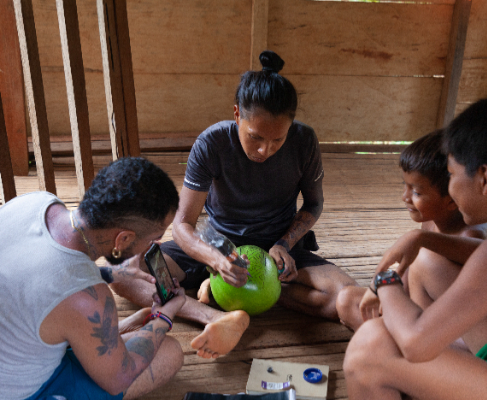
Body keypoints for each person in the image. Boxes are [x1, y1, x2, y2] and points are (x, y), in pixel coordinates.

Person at [110, 50, 367, 359]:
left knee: (348, 298)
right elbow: (182, 225)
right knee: (126, 272)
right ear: (236, 114)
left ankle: (248, 292)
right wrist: (216, 261)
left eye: (277, 140)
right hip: (218, 246)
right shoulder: (212, 143)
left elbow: (314, 203)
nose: (265, 149)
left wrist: (285, 243)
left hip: (277, 248)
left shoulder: (304, 141)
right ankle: (217, 316)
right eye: (255, 137)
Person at [343, 93, 487, 400]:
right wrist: (422, 238)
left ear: (485, 178)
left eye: (452, 175)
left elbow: (416, 345)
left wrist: (386, 282)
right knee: (429, 264)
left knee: (370, 346)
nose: (451, 187)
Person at [0, 157, 186, 400]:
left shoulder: (34, 202)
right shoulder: (86, 299)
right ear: (122, 240)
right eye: (154, 237)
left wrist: (110, 273)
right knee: (168, 352)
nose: (156, 244)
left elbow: (38, 278)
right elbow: (118, 380)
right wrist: (163, 317)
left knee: (131, 326)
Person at [336, 130, 487, 354]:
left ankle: (398, 352)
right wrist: (386, 298)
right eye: (406, 186)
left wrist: (419, 238)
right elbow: (408, 282)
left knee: (372, 326)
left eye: (416, 191)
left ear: (451, 199)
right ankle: (391, 345)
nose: (405, 197)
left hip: (458, 334)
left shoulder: (472, 235)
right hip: (419, 318)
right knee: (346, 300)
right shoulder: (430, 223)